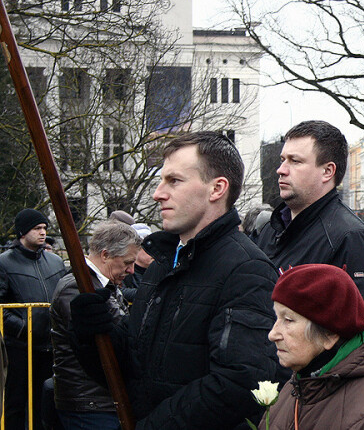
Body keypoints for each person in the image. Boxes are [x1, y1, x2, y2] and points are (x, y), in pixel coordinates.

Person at [70, 131, 280, 429]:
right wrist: (92, 335)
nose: (158, 193)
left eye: (174, 181)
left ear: (217, 188)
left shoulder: (247, 269)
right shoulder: (164, 264)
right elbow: (135, 367)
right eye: (161, 180)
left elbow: (239, 383)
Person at [256, 120, 364, 321]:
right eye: (282, 160)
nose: (281, 169)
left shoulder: (351, 237)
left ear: (327, 171)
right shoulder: (269, 229)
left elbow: (363, 329)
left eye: (295, 161)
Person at [266, 264, 364, 429]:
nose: (272, 334)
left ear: (330, 334)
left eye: (288, 320)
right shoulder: (299, 387)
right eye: (277, 317)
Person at [50, 220, 140, 430]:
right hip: (88, 403)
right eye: (127, 262)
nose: (132, 270)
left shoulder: (103, 284)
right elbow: (107, 337)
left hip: (100, 399)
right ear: (106, 254)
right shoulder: (77, 288)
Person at [0, 208, 67, 430]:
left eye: (45, 228)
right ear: (22, 232)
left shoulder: (56, 262)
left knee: (46, 401)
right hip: (19, 347)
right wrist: (21, 328)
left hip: (52, 344)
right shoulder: (4, 263)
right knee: (16, 402)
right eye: (37, 228)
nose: (42, 233)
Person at [121, 223, 153, 303]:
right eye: (148, 247)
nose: (153, 251)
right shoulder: (123, 270)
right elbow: (120, 292)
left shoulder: (160, 269)